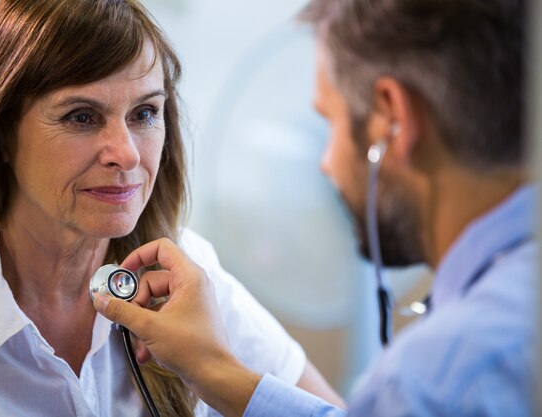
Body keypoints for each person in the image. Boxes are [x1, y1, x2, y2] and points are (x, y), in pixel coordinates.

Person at [93, 0, 538, 416]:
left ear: (393, 119)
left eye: (329, 121)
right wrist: (219, 374)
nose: (323, 163)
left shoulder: (432, 382)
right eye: (83, 117)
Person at [0, 1, 340, 416]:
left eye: (144, 113)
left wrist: (214, 373)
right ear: (2, 134)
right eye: (81, 117)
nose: (128, 154)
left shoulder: (191, 278)